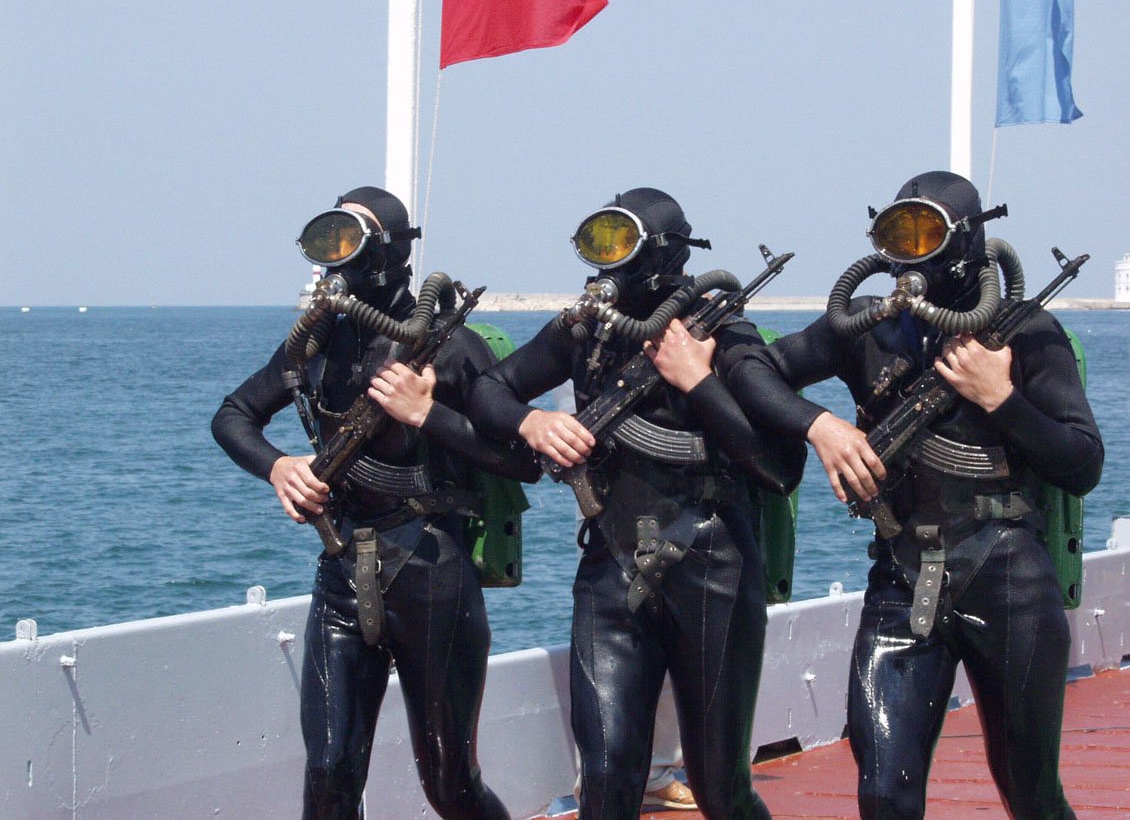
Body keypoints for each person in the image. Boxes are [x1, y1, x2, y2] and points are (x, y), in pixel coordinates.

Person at [731, 170, 1104, 820]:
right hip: (903, 579)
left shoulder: (1025, 331)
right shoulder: (868, 326)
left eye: (924, 233)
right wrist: (820, 426)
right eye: (896, 235)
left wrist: (1000, 397)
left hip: (1009, 580)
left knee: (1032, 796)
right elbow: (751, 366)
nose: (909, 252)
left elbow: (1083, 463)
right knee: (883, 794)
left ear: (966, 240)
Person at [467, 187, 806, 820]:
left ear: (662, 253)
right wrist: (531, 422)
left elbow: (778, 468)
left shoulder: (723, 333)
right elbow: (491, 388)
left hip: (714, 569)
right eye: (598, 244)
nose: (608, 260)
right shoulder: (586, 330)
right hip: (611, 564)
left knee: (720, 789)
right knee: (604, 779)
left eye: (620, 243)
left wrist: (697, 380)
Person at [211, 186, 538, 820]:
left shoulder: (449, 346)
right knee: (329, 772)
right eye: (327, 241)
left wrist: (427, 413)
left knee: (450, 784)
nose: (336, 257)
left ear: (387, 251)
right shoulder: (315, 343)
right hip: (342, 573)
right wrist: (279, 466)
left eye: (349, 240)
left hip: (432, 573)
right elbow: (234, 415)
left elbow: (524, 461)